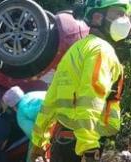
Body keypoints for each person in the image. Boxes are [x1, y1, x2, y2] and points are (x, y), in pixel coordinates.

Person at [30, 0, 131, 162]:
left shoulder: (76, 49)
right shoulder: (102, 50)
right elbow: (90, 100)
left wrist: (38, 142)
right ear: (98, 17)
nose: (125, 19)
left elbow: (50, 101)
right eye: (119, 13)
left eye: (126, 14)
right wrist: (89, 147)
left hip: (62, 142)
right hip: (81, 146)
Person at [2, 86, 46, 162]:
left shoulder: (21, 115)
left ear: (12, 107)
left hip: (54, 132)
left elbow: (35, 135)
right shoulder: (35, 93)